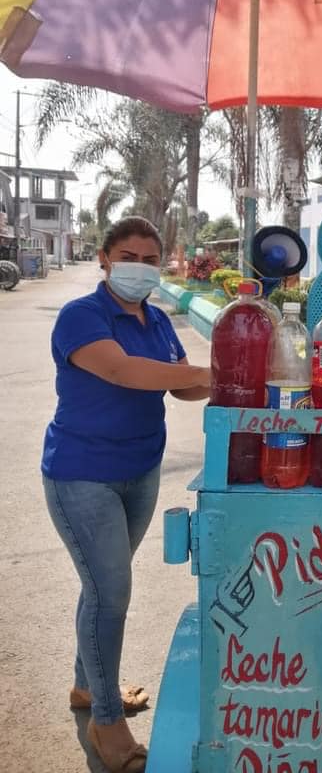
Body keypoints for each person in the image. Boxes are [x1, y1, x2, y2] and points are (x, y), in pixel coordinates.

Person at [42, 216, 211, 773]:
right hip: (81, 473)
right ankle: (107, 720)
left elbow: (181, 384)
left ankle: (85, 686)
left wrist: (232, 378)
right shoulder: (81, 316)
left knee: (101, 587)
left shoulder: (157, 319)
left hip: (140, 471)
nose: (140, 268)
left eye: (150, 259)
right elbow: (122, 371)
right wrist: (214, 370)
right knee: (110, 592)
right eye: (128, 257)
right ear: (105, 259)